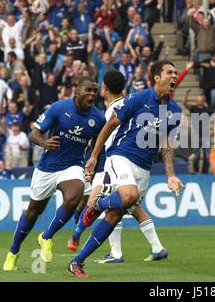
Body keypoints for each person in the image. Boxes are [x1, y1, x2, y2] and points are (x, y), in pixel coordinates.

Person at [68, 60, 184, 278]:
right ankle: (99, 203)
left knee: (113, 217)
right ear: (157, 77)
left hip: (144, 168)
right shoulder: (139, 98)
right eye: (170, 72)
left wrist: (171, 175)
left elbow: (167, 144)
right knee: (128, 196)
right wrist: (94, 157)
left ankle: (77, 262)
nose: (175, 76)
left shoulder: (174, 111)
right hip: (121, 156)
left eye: (176, 73)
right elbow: (109, 125)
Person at [3, 76, 105, 271]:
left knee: (74, 196)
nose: (92, 94)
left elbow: (98, 147)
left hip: (72, 167)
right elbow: (35, 134)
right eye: (88, 90)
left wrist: (93, 167)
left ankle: (46, 236)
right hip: (47, 169)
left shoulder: (98, 118)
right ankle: (13, 252)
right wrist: (45, 143)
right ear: (77, 90)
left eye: (95, 90)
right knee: (33, 213)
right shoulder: (59, 108)